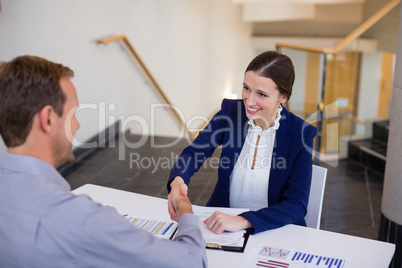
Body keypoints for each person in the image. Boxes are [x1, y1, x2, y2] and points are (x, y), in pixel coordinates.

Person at [0, 55, 206, 268]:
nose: (78, 125)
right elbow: (190, 262)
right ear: (49, 119)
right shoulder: (83, 220)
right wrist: (185, 212)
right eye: (74, 114)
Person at [167, 51, 317, 235]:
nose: (249, 100)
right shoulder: (231, 112)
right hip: (222, 227)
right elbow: (195, 152)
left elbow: (296, 204)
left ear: (283, 96)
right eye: (246, 88)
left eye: (261, 94)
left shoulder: (301, 133)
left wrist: (243, 220)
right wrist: (177, 181)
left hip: (273, 230)